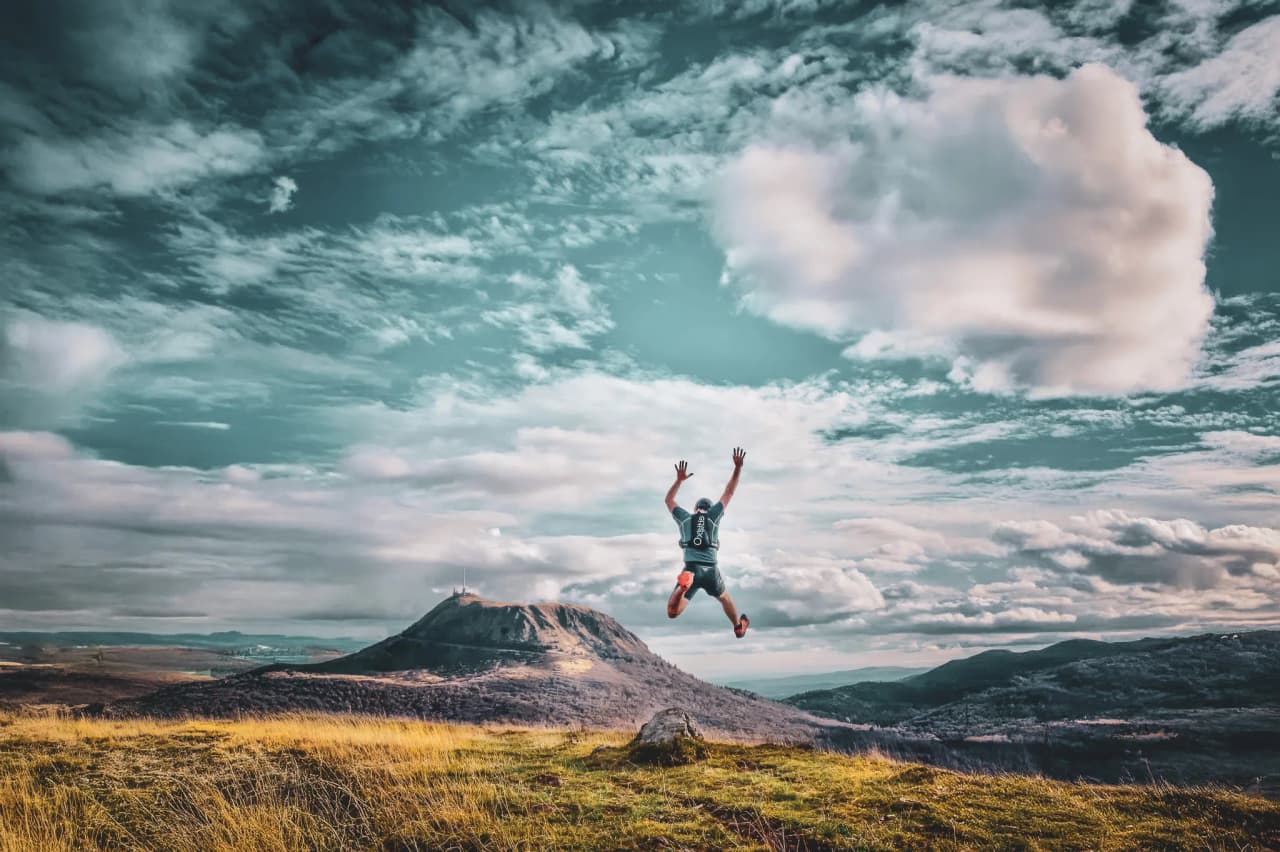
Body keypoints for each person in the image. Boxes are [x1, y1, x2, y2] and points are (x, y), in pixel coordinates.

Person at [664, 447, 749, 638]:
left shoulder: (685, 518)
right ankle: (738, 626)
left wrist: (679, 480)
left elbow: (669, 500)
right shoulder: (713, 516)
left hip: (690, 570)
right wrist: (737, 468)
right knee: (724, 598)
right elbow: (729, 492)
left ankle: (682, 589)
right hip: (711, 570)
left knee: (672, 612)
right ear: (710, 508)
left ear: (695, 509)